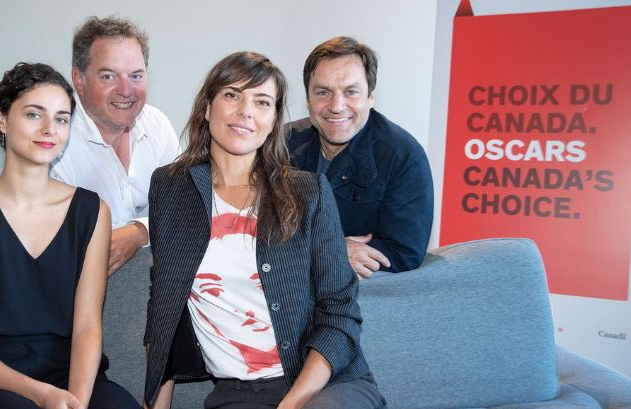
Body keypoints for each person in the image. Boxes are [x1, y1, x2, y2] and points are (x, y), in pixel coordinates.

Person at [143, 52, 386, 409]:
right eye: (232, 95)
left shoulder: (308, 192)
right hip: (237, 395)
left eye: (261, 102)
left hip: (325, 386)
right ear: (208, 107)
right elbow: (163, 308)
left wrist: (292, 404)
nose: (245, 111)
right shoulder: (170, 188)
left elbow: (340, 312)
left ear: (273, 120)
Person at [0, 63, 140, 409]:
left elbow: (87, 327)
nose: (48, 129)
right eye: (33, 114)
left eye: (61, 118)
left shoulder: (92, 212)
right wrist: (40, 394)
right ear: (0, 118)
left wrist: (76, 401)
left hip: (68, 377)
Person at [287, 36, 433, 278]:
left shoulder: (403, 156)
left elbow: (405, 253)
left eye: (351, 92)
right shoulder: (280, 145)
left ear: (371, 97)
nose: (336, 105)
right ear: (308, 100)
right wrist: (330, 250)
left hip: (362, 299)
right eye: (323, 92)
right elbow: (253, 230)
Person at [50, 16, 179, 276]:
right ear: (78, 79)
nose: (126, 90)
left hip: (142, 286)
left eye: (136, 75)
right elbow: (61, 241)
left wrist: (138, 231)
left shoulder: (156, 125)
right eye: (108, 76)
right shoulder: (54, 136)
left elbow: (182, 207)